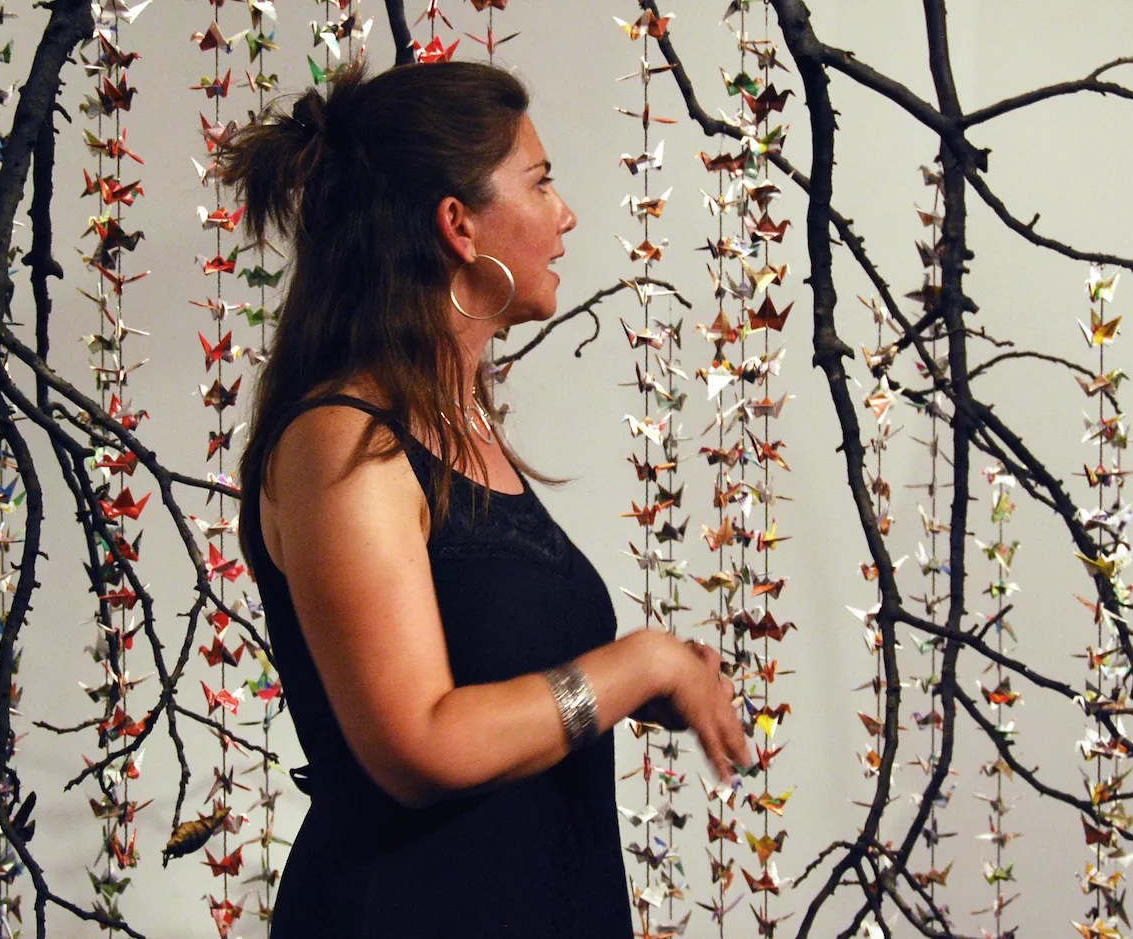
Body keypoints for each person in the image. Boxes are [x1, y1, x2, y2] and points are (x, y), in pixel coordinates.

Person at [220, 60, 749, 937]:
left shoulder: (458, 428)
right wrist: (639, 664)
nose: (566, 214)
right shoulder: (340, 439)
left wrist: (630, 690)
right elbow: (421, 744)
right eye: (540, 182)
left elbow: (496, 682)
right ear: (458, 225)